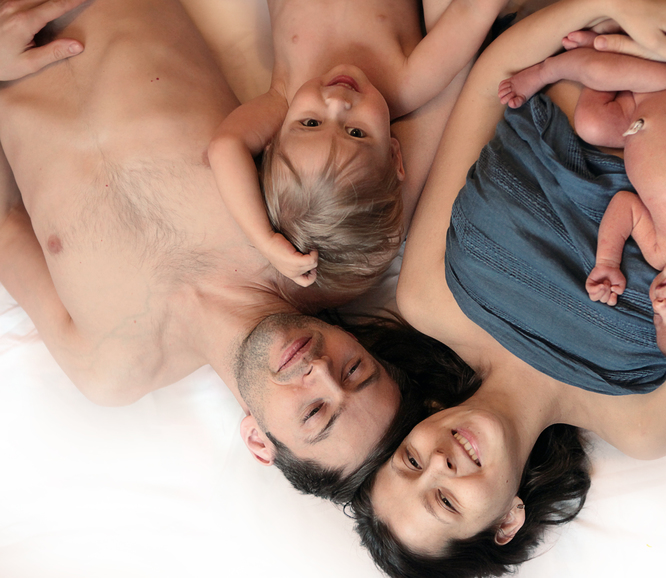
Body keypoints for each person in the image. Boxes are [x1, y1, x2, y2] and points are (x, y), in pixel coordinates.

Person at [346, 0, 666, 576]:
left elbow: (487, 89)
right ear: (507, 521)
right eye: (445, 501)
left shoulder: (428, 300)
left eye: (411, 460)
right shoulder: (643, 424)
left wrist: (613, 6)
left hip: (592, 26)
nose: (439, 462)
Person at [0, 0, 469, 503]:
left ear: (258, 441)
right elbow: (447, 82)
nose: (320, 371)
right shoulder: (328, 246)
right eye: (355, 370)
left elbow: (5, 224)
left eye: (315, 412)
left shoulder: (107, 368)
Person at [498, 38, 666, 381]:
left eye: (658, 321)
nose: (659, 307)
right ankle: (547, 70)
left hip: (633, 121)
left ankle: (606, 47)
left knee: (591, 124)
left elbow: (625, 206)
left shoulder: (662, 253)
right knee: (600, 72)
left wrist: (607, 262)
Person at [207, 0, 509, 297]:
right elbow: (472, 9)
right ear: (394, 155)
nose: (337, 102)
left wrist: (266, 240)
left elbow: (226, 147)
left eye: (311, 123)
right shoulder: (410, 82)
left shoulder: (284, 98)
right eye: (356, 132)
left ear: (272, 139)